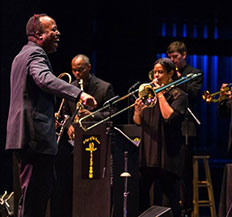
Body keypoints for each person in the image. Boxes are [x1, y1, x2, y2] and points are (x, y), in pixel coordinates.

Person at [5, 14, 97, 217]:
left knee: (37, 192)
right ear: (38, 34)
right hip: (34, 137)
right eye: (52, 30)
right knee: (35, 197)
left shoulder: (21, 55)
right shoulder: (35, 54)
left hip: (26, 133)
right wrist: (79, 94)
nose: (58, 33)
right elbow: (44, 79)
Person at [50, 54, 115, 217]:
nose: (76, 74)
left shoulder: (104, 87)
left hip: (96, 145)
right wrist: (69, 125)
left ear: (89, 68)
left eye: (80, 70)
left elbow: (113, 114)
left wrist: (92, 115)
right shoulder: (71, 87)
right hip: (73, 146)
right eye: (74, 70)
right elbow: (66, 113)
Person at [133, 58, 188, 217]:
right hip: (149, 151)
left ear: (170, 73)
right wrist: (138, 111)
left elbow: (168, 117)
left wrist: (161, 95)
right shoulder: (147, 94)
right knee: (143, 194)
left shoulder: (179, 95)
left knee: (169, 197)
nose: (156, 76)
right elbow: (138, 123)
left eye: (160, 72)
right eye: (155, 72)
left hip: (167, 152)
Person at [167, 41, 203, 216]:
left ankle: (187, 209)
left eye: (175, 57)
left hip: (186, 128)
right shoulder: (168, 74)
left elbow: (193, 95)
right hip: (169, 127)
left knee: (185, 172)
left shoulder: (194, 74)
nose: (173, 60)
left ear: (184, 55)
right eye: (170, 57)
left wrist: (176, 79)